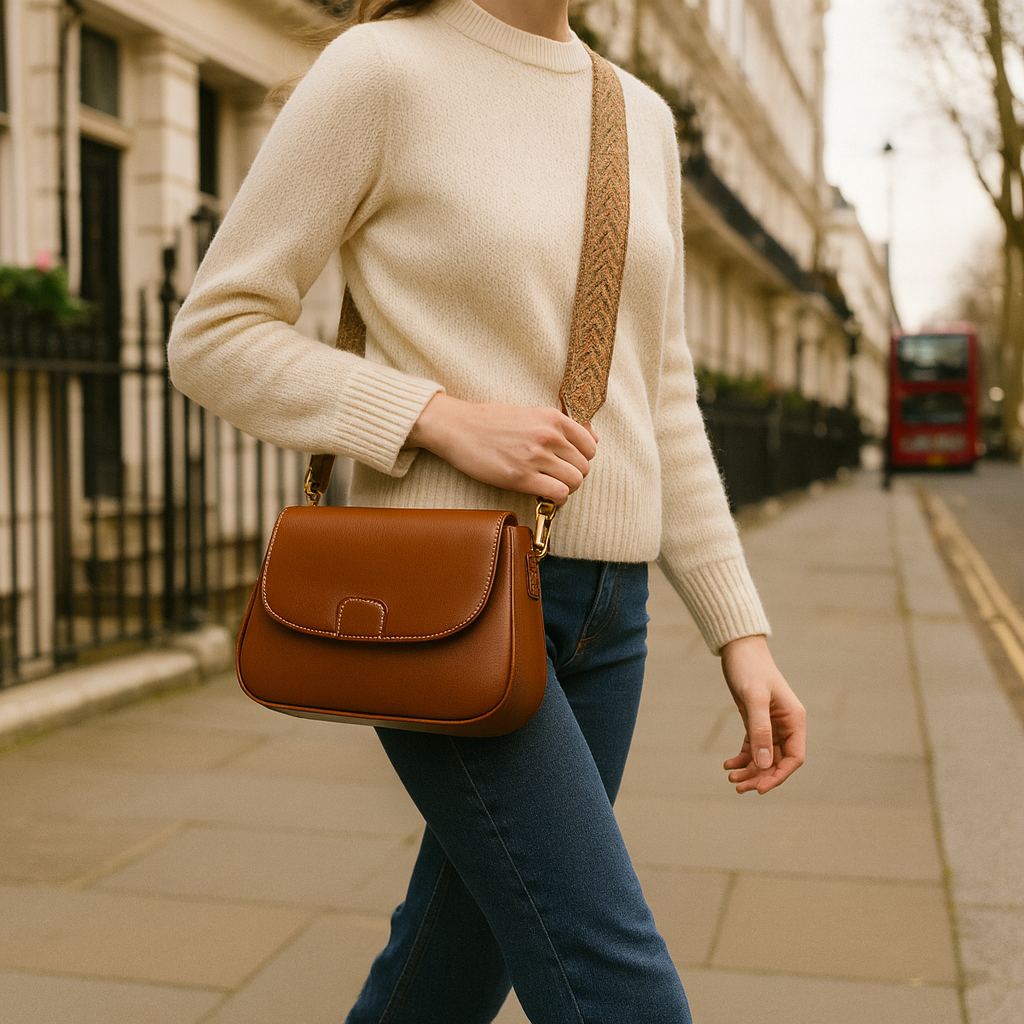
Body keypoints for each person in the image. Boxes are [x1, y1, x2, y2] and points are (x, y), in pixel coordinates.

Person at [168, 0, 807, 1020]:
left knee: (450, 967)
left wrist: (741, 629)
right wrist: (434, 416)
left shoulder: (636, 112)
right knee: (617, 982)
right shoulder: (379, 71)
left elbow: (664, 392)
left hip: (610, 616)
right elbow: (213, 335)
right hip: (443, 600)